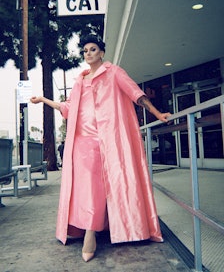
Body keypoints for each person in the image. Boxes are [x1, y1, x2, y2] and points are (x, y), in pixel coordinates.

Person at [30, 34, 171, 262]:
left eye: (93, 49)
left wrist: (157, 113)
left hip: (105, 141)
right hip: (81, 144)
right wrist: (44, 99)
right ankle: (94, 227)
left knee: (97, 187)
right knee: (85, 188)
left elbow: (136, 94)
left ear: (102, 52)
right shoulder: (80, 81)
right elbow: (67, 108)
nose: (88, 53)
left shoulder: (114, 72)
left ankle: (90, 234)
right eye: (85, 50)